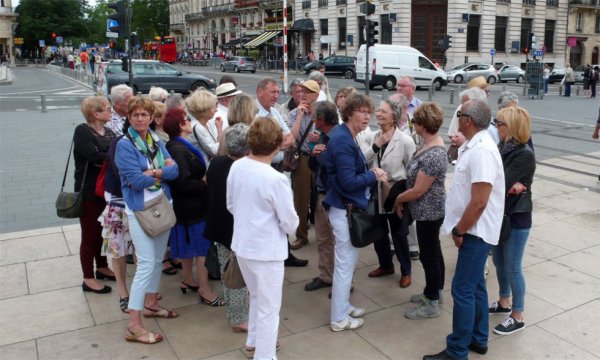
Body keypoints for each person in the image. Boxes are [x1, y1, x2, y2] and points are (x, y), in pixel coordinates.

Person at [424, 99, 505, 360]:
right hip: (473, 229)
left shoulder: (482, 150)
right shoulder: (473, 146)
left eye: (459, 113)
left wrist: (459, 230)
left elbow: (480, 201)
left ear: (467, 120)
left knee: (462, 289)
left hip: (476, 232)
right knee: (475, 286)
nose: (456, 117)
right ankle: (478, 339)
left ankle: (457, 350)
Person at [227, 116, 299, 359]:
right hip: (266, 251)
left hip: (243, 245)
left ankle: (254, 341)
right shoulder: (275, 179)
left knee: (257, 297)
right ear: (277, 145)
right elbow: (290, 222)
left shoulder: (237, 166)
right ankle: (264, 355)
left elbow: (231, 204)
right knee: (269, 308)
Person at [115, 96, 179, 344]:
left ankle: (151, 303)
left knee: (156, 259)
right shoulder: (124, 144)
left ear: (152, 118)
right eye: (136, 115)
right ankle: (133, 324)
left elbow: (175, 171)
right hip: (140, 209)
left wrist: (153, 173)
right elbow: (134, 180)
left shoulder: (153, 139)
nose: (140, 119)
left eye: (145, 115)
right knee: (145, 264)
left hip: (161, 204)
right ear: (129, 117)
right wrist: (160, 172)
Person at [323, 93, 388, 331]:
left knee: (348, 262)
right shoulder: (342, 140)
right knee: (344, 264)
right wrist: (374, 175)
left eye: (368, 112)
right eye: (362, 111)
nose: (367, 116)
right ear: (349, 112)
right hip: (343, 210)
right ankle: (339, 319)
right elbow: (349, 181)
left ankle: (343, 306)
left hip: (344, 208)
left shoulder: (346, 136)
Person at [162, 107, 224, 307]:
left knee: (191, 248)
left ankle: (187, 278)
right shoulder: (178, 149)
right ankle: (204, 290)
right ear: (181, 125)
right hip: (192, 207)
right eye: (186, 119)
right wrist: (204, 182)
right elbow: (183, 183)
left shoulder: (177, 146)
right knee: (201, 249)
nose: (189, 121)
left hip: (188, 207)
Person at [393, 102, 448, 319]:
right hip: (425, 211)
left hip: (429, 212)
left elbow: (419, 190)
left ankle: (431, 302)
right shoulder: (427, 144)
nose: (412, 124)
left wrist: (398, 198)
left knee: (428, 256)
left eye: (415, 121)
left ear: (423, 125)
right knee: (434, 251)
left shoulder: (434, 153)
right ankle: (435, 291)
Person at [489, 106, 536, 336]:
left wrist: (507, 188)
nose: (496, 127)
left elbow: (499, 182)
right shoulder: (503, 147)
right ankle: (504, 301)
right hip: (502, 214)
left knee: (513, 267)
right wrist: (507, 188)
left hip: (517, 218)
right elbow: (500, 183)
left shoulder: (524, 153)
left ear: (512, 127)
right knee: (499, 261)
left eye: (500, 124)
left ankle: (518, 315)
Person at [364, 99, 416, 288]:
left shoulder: (405, 141)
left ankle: (406, 270)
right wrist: (377, 145)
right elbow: (362, 160)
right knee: (378, 233)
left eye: (383, 111)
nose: (378, 113)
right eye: (378, 110)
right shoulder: (372, 136)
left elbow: (412, 172)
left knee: (399, 234)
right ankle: (385, 265)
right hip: (375, 192)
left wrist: (406, 198)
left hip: (396, 194)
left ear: (393, 116)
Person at [205, 123, 251, 333]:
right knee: (236, 276)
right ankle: (239, 319)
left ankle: (238, 315)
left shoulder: (216, 163)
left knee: (229, 273)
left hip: (220, 226)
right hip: (235, 230)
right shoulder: (244, 169)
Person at [75, 95, 117, 294]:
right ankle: (88, 277)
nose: (110, 112)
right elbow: (93, 156)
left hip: (105, 189)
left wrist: (109, 157)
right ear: (95, 113)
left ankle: (102, 266)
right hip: (90, 191)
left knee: (103, 231)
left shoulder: (108, 131)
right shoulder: (82, 131)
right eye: (107, 109)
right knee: (89, 234)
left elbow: (108, 155)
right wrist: (112, 157)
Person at [304, 101, 339, 292]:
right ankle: (326, 276)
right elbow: (314, 165)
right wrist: (313, 154)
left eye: (314, 117)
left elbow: (338, 168)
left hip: (334, 198)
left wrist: (320, 156)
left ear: (322, 119)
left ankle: (344, 283)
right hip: (321, 195)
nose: (312, 120)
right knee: (323, 239)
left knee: (339, 242)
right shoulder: (323, 136)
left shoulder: (338, 137)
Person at [288, 80, 321, 250]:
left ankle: (324, 233)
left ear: (316, 95)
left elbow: (334, 131)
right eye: (300, 91)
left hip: (321, 158)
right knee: (300, 199)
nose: (302, 95)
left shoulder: (324, 111)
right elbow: (290, 138)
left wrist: (320, 138)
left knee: (321, 198)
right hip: (302, 158)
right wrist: (300, 116)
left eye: (307, 92)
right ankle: (301, 235)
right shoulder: (294, 113)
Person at [187, 89, 221, 165]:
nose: (216, 110)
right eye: (213, 107)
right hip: (204, 169)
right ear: (204, 109)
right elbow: (215, 151)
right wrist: (220, 131)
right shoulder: (198, 127)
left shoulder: (207, 123)